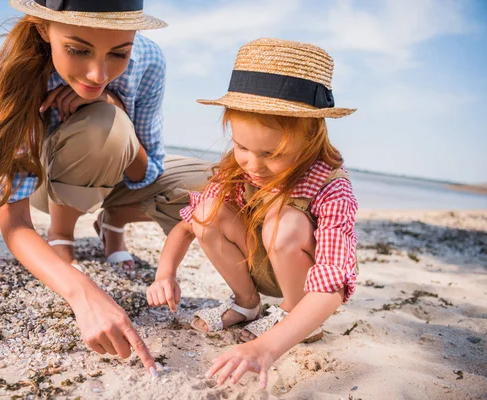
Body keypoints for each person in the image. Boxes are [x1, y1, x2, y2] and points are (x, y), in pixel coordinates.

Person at [0, 0, 210, 377]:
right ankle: (61, 238)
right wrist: (80, 290)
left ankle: (111, 220)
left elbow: (146, 172)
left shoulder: (149, 60)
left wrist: (110, 102)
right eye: (77, 49)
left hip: (116, 177)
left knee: (217, 184)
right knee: (103, 127)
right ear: (42, 29)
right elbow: (15, 221)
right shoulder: (19, 71)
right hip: (48, 187)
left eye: (118, 53)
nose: (98, 72)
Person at [146, 38, 358, 388]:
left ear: (310, 138)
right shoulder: (240, 167)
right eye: (242, 146)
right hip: (254, 262)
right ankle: (247, 305)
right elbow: (186, 227)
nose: (253, 165)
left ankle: (293, 317)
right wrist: (164, 274)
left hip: (303, 281)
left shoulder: (330, 185)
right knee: (208, 211)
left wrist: (267, 348)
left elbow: (334, 283)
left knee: (285, 222)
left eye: (271, 153)